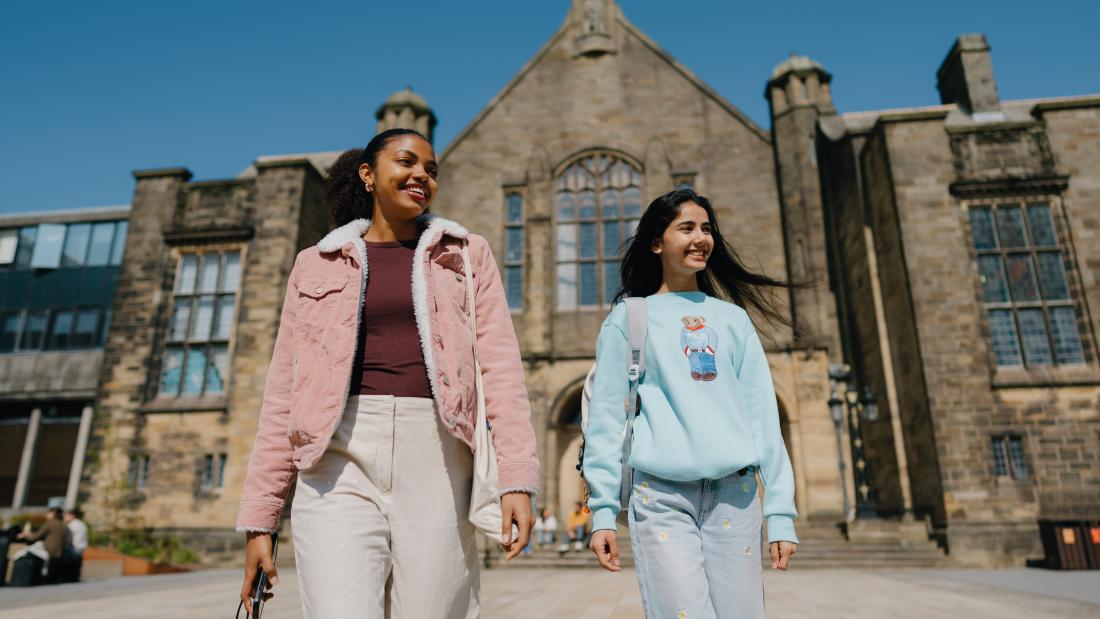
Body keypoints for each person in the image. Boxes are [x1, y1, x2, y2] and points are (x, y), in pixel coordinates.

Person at [237, 129, 540, 619]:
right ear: (368, 175)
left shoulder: (465, 254)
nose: (422, 174)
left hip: (439, 457)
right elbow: (282, 395)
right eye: (406, 161)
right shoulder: (314, 263)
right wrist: (260, 519)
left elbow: (501, 370)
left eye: (431, 169)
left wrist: (517, 481)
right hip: (336, 457)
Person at [583, 189, 798, 618]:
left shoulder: (733, 320)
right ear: (657, 242)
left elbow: (762, 418)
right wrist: (602, 511)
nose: (701, 237)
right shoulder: (629, 319)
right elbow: (607, 420)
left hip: (735, 496)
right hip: (659, 496)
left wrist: (780, 510)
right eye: (686, 228)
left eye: (706, 228)